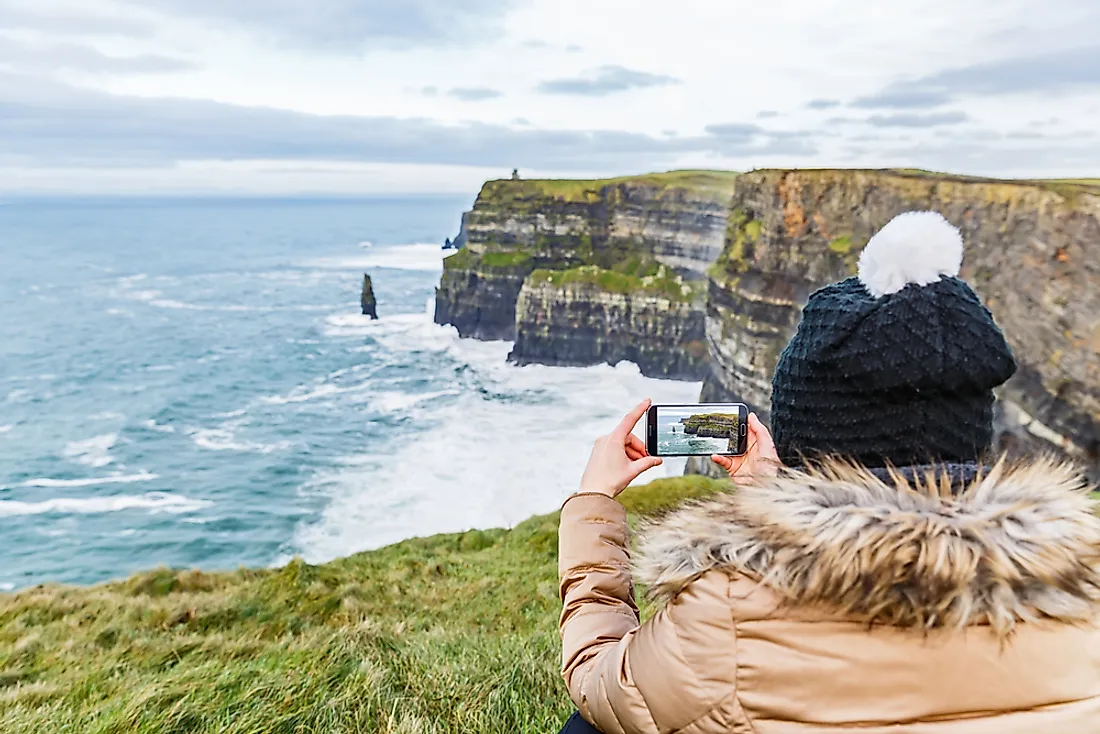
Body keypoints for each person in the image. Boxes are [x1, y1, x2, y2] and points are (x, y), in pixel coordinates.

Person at [557, 211, 1100, 733]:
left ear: (807, 445)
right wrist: (765, 494)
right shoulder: (1084, 586)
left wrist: (593, 504)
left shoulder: (734, 610)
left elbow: (606, 685)